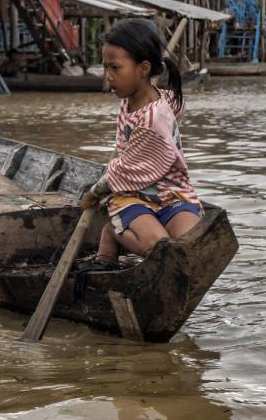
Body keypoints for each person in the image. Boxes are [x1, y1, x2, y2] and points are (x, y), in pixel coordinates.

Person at [81, 19, 201, 267]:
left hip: (172, 193)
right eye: (106, 68)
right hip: (131, 195)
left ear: (143, 69)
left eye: (115, 68)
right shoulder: (138, 99)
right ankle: (114, 233)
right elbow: (124, 171)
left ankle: (118, 232)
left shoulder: (153, 118)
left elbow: (123, 169)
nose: (109, 77)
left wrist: (92, 194)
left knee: (191, 248)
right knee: (158, 249)